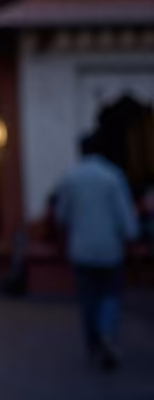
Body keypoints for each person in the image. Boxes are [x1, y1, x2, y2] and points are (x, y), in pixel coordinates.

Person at [56, 134, 139, 370]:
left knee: (88, 299)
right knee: (110, 295)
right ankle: (107, 332)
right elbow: (125, 217)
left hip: (81, 248)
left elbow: (62, 216)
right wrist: (131, 242)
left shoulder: (70, 178)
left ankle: (95, 342)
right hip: (110, 248)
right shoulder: (112, 176)